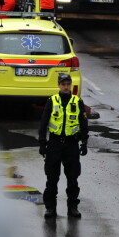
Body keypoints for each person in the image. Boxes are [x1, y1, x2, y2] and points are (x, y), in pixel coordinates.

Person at [38, 73, 89, 219]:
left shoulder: (77, 101)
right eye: (63, 84)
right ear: (58, 85)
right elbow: (43, 123)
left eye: (68, 84)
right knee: (52, 177)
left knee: (73, 178)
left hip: (71, 144)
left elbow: (83, 123)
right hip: (54, 143)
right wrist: (42, 143)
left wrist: (84, 142)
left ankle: (72, 207)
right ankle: (50, 208)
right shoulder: (52, 101)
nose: (66, 87)